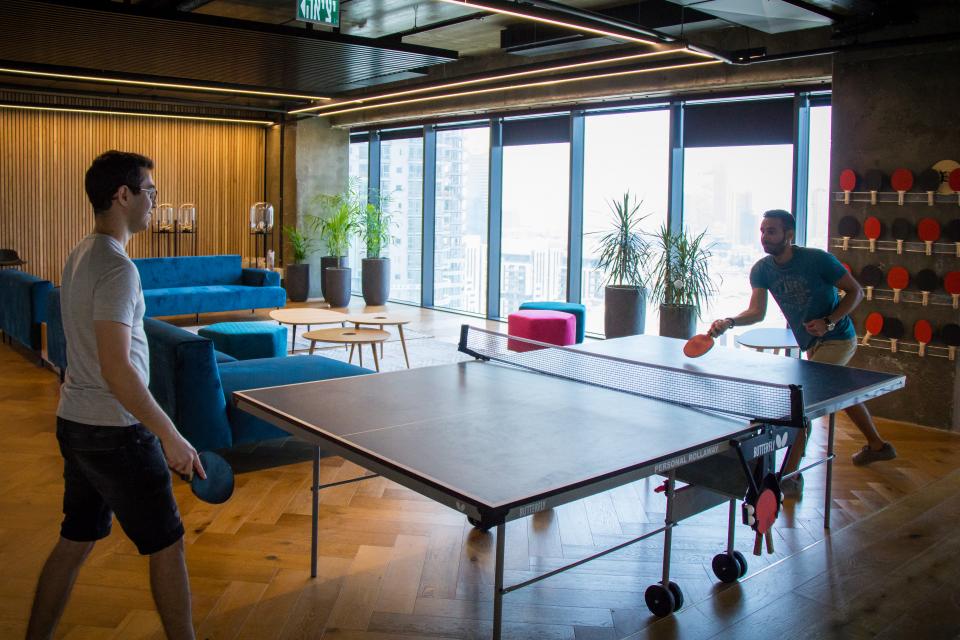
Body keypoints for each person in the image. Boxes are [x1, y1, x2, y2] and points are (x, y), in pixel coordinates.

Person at [27, 151, 204, 640]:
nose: (154, 201)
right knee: (168, 545)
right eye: (149, 191)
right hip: (115, 432)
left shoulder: (81, 252)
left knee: (75, 540)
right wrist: (169, 435)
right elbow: (117, 367)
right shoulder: (117, 268)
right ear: (122, 195)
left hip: (76, 423)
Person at [709, 209, 896, 497]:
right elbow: (757, 312)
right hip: (811, 345)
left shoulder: (817, 259)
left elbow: (855, 292)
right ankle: (877, 446)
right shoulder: (762, 269)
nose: (764, 236)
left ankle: (792, 476)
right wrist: (730, 321)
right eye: (762, 230)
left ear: (789, 234)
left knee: (800, 406)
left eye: (771, 231)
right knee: (841, 390)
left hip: (839, 338)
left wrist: (828, 321)